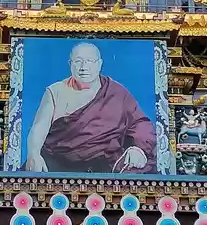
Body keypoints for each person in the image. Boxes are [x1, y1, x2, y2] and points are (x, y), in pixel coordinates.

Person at [25, 42, 156, 173]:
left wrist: (138, 149)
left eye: (89, 61)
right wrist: (33, 153)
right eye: (78, 61)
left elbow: (140, 123)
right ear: (70, 64)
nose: (83, 67)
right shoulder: (55, 92)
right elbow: (39, 127)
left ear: (99, 64)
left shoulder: (116, 92)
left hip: (105, 163)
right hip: (60, 162)